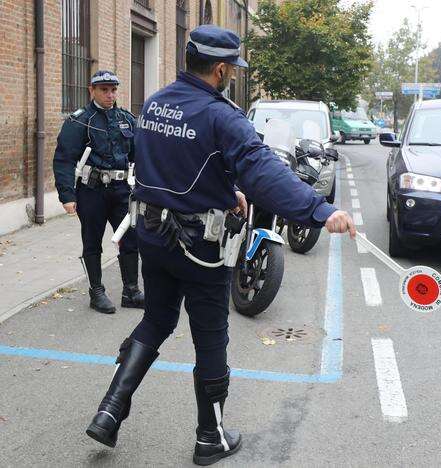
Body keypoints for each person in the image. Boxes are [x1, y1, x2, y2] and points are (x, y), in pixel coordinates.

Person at [85, 25, 356, 466]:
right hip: (199, 248)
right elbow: (262, 170)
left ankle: (109, 411)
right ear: (221, 68)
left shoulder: (154, 104)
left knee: (156, 320)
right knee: (210, 340)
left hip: (152, 237)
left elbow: (166, 162)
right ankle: (210, 437)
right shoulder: (222, 116)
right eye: (232, 70)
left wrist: (222, 189)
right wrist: (320, 210)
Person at [53, 71, 145, 314]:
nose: (110, 94)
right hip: (91, 191)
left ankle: (131, 291)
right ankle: (96, 292)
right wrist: (67, 196)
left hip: (121, 190)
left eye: (113, 89)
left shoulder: (126, 119)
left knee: (130, 240)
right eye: (104, 89)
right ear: (91, 90)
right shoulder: (80, 120)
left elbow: (140, 155)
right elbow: (63, 159)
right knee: (92, 242)